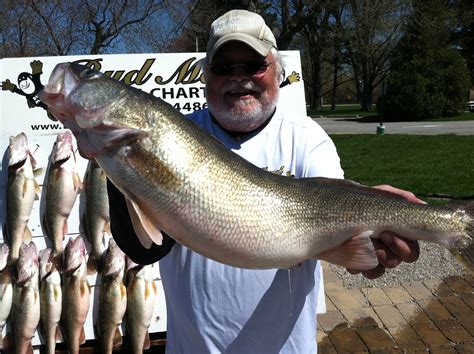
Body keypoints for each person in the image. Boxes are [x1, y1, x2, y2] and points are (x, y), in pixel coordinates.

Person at [107, 9, 420, 353]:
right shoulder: (171, 135)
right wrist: (120, 163)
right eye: (224, 68)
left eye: (254, 65)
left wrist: (372, 238)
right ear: (206, 75)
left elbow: (336, 215)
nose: (239, 78)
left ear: (278, 72)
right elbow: (144, 248)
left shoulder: (307, 139)